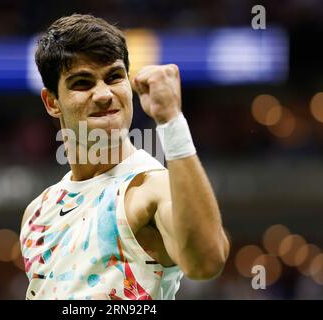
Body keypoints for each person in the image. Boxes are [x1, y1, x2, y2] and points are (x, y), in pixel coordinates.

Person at [20, 14, 229, 300]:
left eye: (114, 77)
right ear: (52, 102)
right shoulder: (37, 214)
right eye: (82, 83)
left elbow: (207, 262)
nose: (104, 94)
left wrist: (172, 122)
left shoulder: (151, 187)